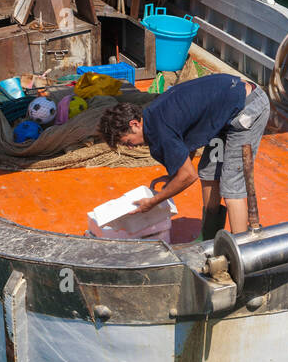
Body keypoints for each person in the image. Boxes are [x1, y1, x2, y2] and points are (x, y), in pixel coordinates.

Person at [99, 73, 270, 239]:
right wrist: (173, 177)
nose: (132, 147)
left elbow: (188, 176)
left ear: (134, 124)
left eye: (128, 141)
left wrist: (153, 202)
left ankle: (240, 249)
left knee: (232, 185)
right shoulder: (152, 116)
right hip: (226, 107)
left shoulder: (160, 129)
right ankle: (209, 237)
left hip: (247, 107)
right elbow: (187, 143)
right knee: (208, 173)